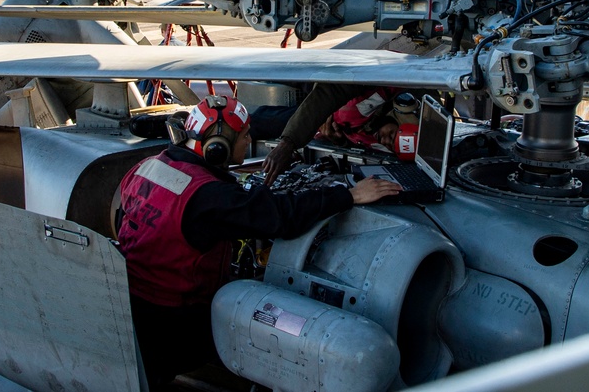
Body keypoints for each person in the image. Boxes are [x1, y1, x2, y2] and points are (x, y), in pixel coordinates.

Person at [118, 96, 399, 389]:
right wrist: (349, 196)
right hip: (176, 323)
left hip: (130, 305)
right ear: (218, 147)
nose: (250, 140)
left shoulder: (148, 166)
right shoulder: (209, 197)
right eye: (245, 136)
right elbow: (281, 218)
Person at [262, 84, 423, 184]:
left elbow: (358, 146)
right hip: (316, 109)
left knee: (261, 122)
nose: (386, 141)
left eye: (392, 147)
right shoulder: (391, 82)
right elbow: (333, 90)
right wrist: (288, 142)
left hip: (317, 131)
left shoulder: (384, 144)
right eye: (392, 135)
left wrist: (339, 141)